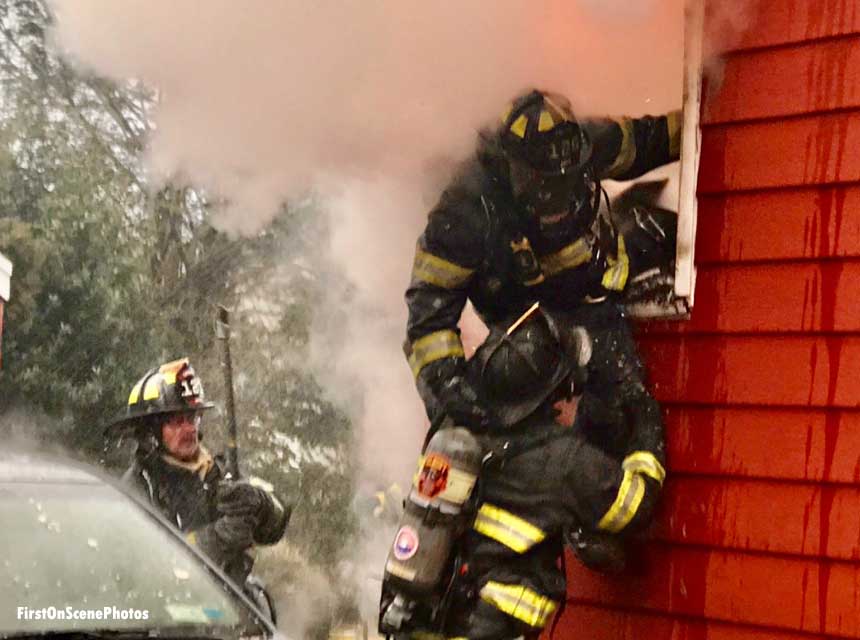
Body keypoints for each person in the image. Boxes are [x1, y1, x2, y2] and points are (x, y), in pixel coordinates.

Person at [404, 88, 675, 563]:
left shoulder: (588, 144)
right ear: (510, 166)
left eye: (567, 182)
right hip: (527, 323)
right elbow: (428, 311)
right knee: (512, 435)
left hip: (597, 295)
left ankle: (601, 518)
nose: (556, 197)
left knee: (624, 403)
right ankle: (571, 513)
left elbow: (656, 138)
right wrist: (447, 386)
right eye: (542, 185)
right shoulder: (466, 209)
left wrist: (717, 114)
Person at [381, 306, 666, 639]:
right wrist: (646, 426)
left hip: (426, 618)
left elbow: (426, 370)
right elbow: (632, 507)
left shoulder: (455, 420)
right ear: (552, 385)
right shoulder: (561, 461)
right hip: (487, 627)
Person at [108, 358, 290, 594]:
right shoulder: (137, 490)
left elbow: (276, 527)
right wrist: (215, 539)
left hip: (231, 609)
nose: (190, 428)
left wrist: (260, 504)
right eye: (177, 421)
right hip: (170, 620)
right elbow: (144, 571)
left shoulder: (219, 473)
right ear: (150, 431)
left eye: (192, 417)